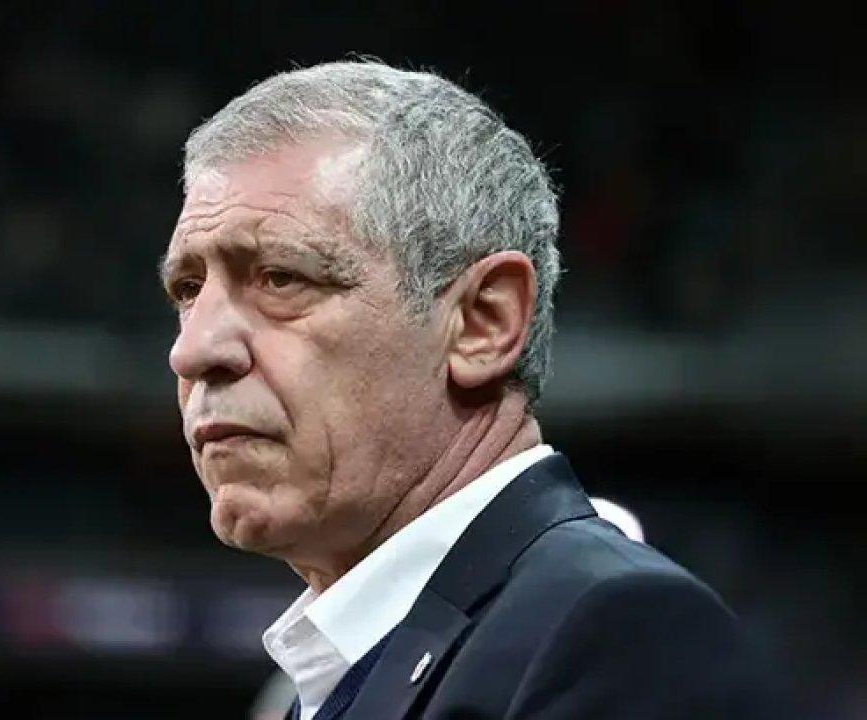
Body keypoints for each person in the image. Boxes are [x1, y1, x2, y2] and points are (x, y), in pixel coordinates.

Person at [159, 60, 785, 719]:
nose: (193, 350)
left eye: (281, 278)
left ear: (483, 323)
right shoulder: (341, 675)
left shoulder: (620, 635)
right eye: (188, 290)